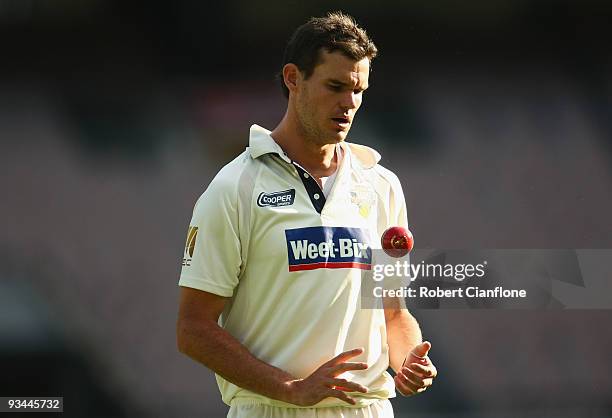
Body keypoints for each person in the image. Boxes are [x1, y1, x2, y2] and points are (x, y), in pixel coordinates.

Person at [176, 11, 437, 418]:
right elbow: (193, 330)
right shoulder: (235, 188)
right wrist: (290, 388)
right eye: (335, 86)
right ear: (293, 78)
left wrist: (407, 362)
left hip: (367, 410)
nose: (349, 104)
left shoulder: (382, 185)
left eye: (359, 90)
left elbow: (392, 312)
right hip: (271, 409)